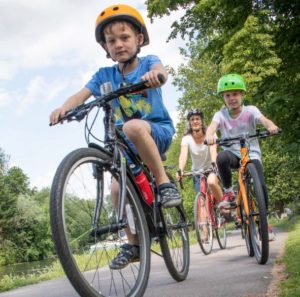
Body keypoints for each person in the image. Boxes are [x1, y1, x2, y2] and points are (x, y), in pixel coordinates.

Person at [49, 4, 181, 269]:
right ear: (105, 48)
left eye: (125, 37)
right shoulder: (104, 76)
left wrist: (156, 76)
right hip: (127, 147)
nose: (118, 44)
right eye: (111, 41)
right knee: (117, 187)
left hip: (157, 132)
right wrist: (65, 107)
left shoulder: (148, 61)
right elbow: (81, 95)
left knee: (133, 126)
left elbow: (161, 70)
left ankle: (164, 182)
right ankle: (133, 244)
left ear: (139, 39)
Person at [205, 73, 279, 210]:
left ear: (242, 95)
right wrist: (209, 136)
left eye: (235, 94)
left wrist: (270, 126)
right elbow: (212, 127)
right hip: (233, 155)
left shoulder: (251, 110)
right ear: (223, 97)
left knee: (261, 185)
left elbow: (263, 119)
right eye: (227, 95)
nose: (232, 98)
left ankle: (264, 217)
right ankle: (228, 192)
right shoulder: (220, 115)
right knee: (221, 157)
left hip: (252, 154)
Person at [176, 109, 222, 203]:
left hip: (212, 168)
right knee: (201, 202)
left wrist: (214, 163)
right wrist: (180, 169)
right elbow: (183, 155)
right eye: (192, 119)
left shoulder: (210, 134)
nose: (195, 121)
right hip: (197, 173)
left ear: (202, 121)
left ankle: (225, 208)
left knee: (212, 185)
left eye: (197, 118)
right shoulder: (186, 138)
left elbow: (213, 150)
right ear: (189, 123)